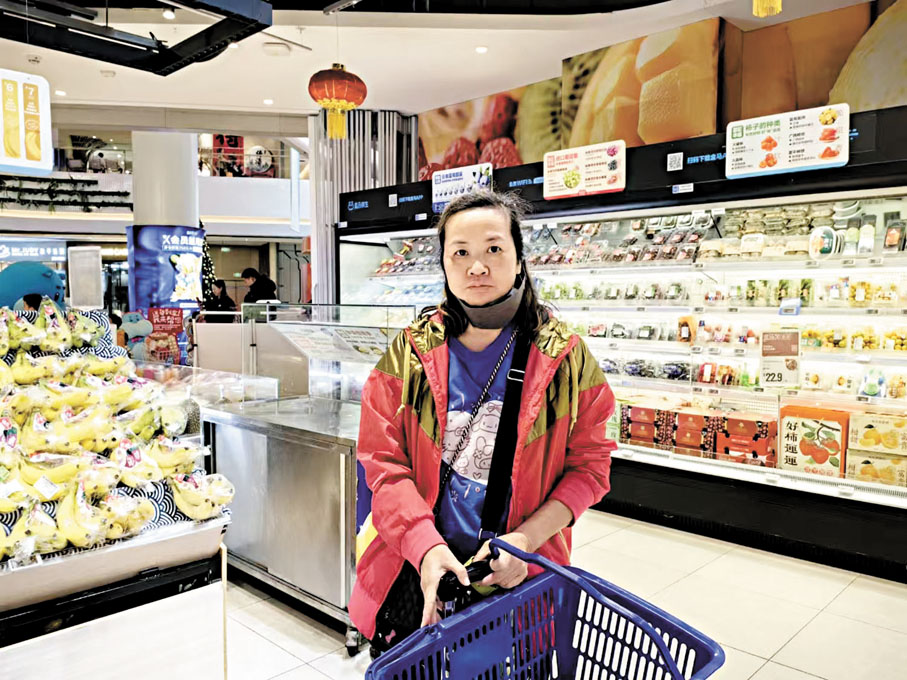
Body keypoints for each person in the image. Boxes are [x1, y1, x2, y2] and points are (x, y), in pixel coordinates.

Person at [350, 191, 615, 654]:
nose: (477, 266)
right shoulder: (408, 354)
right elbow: (384, 466)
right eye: (460, 252)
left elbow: (590, 469)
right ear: (444, 264)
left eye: (493, 248)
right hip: (413, 574)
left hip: (520, 579)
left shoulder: (567, 360)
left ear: (519, 259)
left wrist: (526, 541)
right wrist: (425, 547)